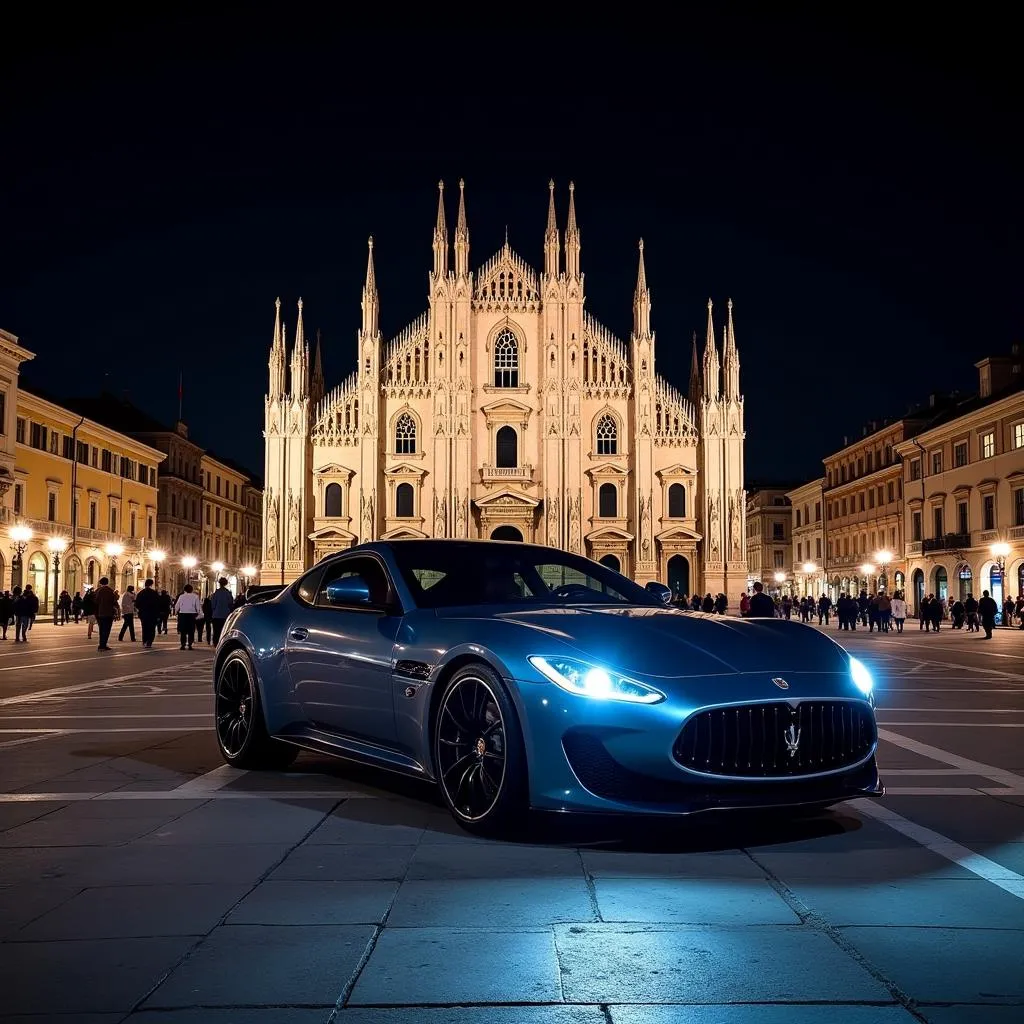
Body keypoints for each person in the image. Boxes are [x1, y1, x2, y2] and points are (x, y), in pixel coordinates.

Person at [93, 577, 118, 651]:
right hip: (108, 613)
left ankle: (101, 645)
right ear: (107, 582)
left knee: (101, 629)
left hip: (99, 613)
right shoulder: (110, 591)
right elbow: (114, 601)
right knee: (107, 630)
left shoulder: (97, 591)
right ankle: (103, 645)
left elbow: (95, 601)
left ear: (100, 583)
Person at [174, 584, 202, 650]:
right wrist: (199, 614)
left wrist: (176, 612)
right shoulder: (195, 596)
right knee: (191, 630)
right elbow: (198, 607)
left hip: (183, 614)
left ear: (184, 590)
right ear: (192, 590)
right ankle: (190, 644)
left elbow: (177, 606)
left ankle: (183, 645)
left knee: (183, 630)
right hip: (192, 615)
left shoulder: (181, 596)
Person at [134, 578, 160, 649]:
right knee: (151, 628)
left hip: (143, 613)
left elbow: (137, 604)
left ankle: (144, 641)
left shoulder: (140, 593)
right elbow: (158, 604)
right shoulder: (154, 593)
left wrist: (141, 609)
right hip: (153, 614)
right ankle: (149, 642)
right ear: (152, 584)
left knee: (144, 627)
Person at [209, 577, 235, 645]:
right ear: (226, 583)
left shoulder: (215, 594)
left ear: (219, 583)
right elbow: (231, 604)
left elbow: (213, 605)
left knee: (216, 630)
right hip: (226, 615)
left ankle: (215, 643)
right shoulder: (228, 593)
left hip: (216, 615)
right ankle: (222, 643)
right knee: (224, 630)